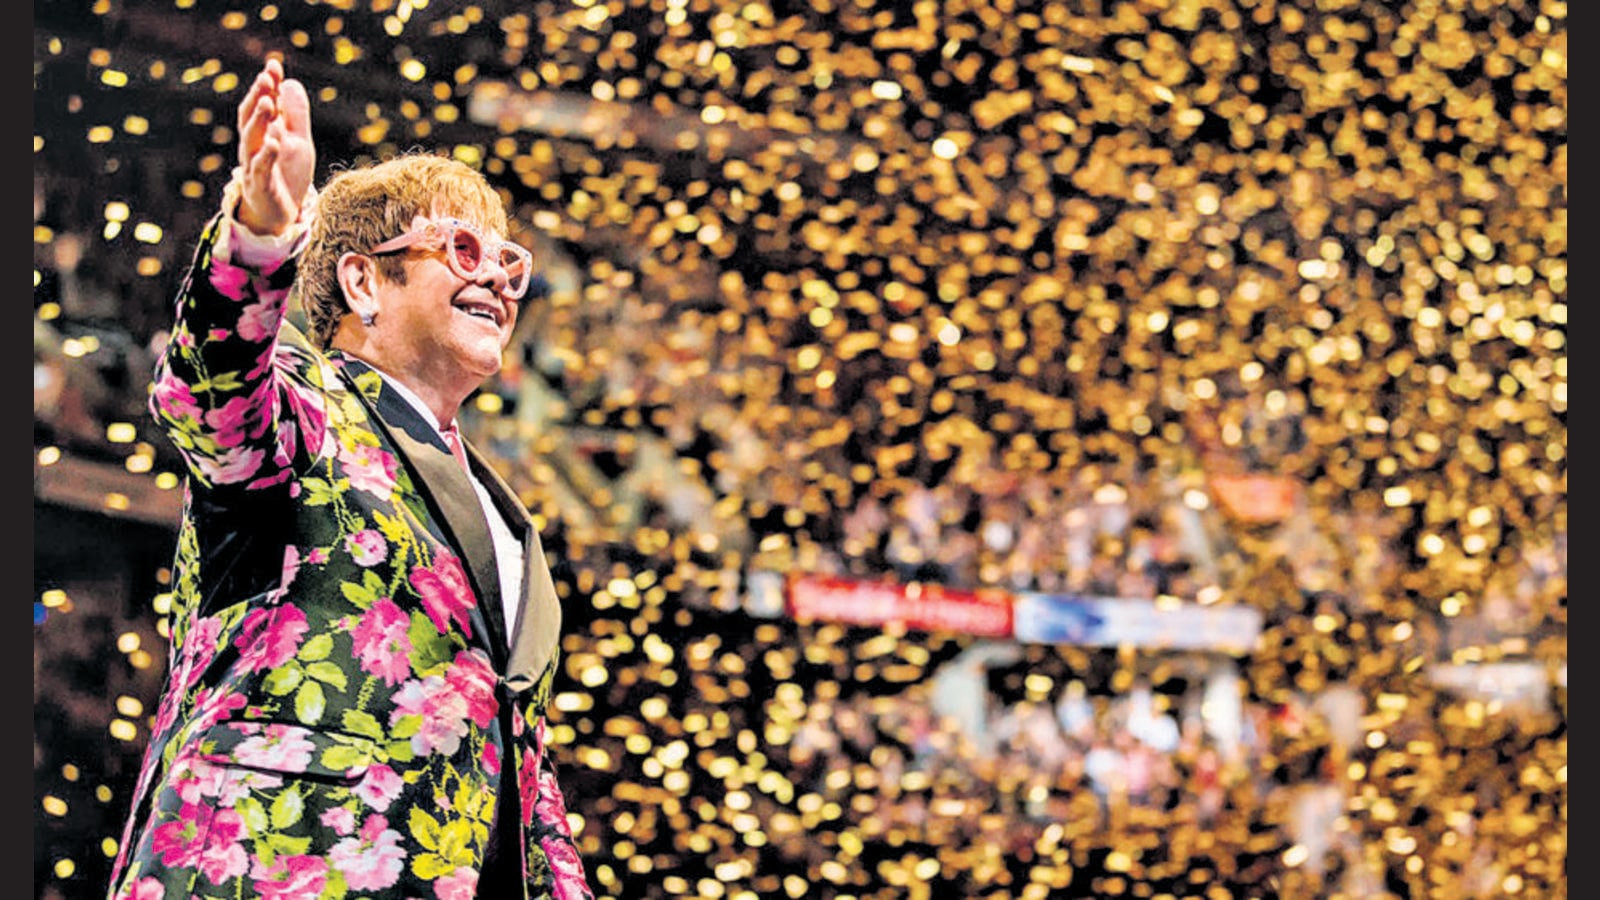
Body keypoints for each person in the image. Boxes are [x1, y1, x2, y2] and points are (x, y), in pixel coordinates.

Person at [107, 58, 593, 900]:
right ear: (364, 280)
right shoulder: (306, 407)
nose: (495, 281)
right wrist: (259, 232)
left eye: (507, 262)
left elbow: (522, 777)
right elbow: (206, 393)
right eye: (461, 249)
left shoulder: (511, 522)